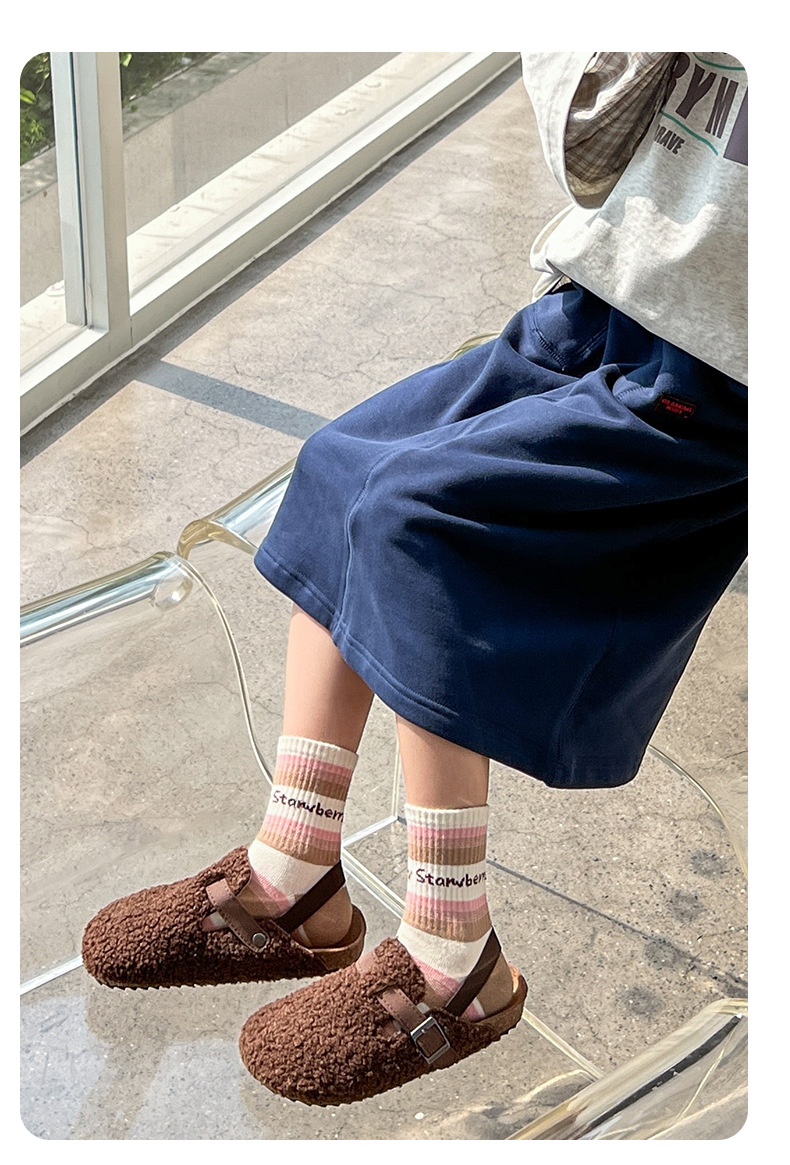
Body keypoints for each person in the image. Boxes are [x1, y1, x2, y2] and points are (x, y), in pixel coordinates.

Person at [81, 53, 747, 1107]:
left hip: (725, 374)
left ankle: (454, 953)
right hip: (600, 301)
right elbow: (583, 138)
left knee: (420, 528)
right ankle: (297, 867)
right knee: (341, 467)